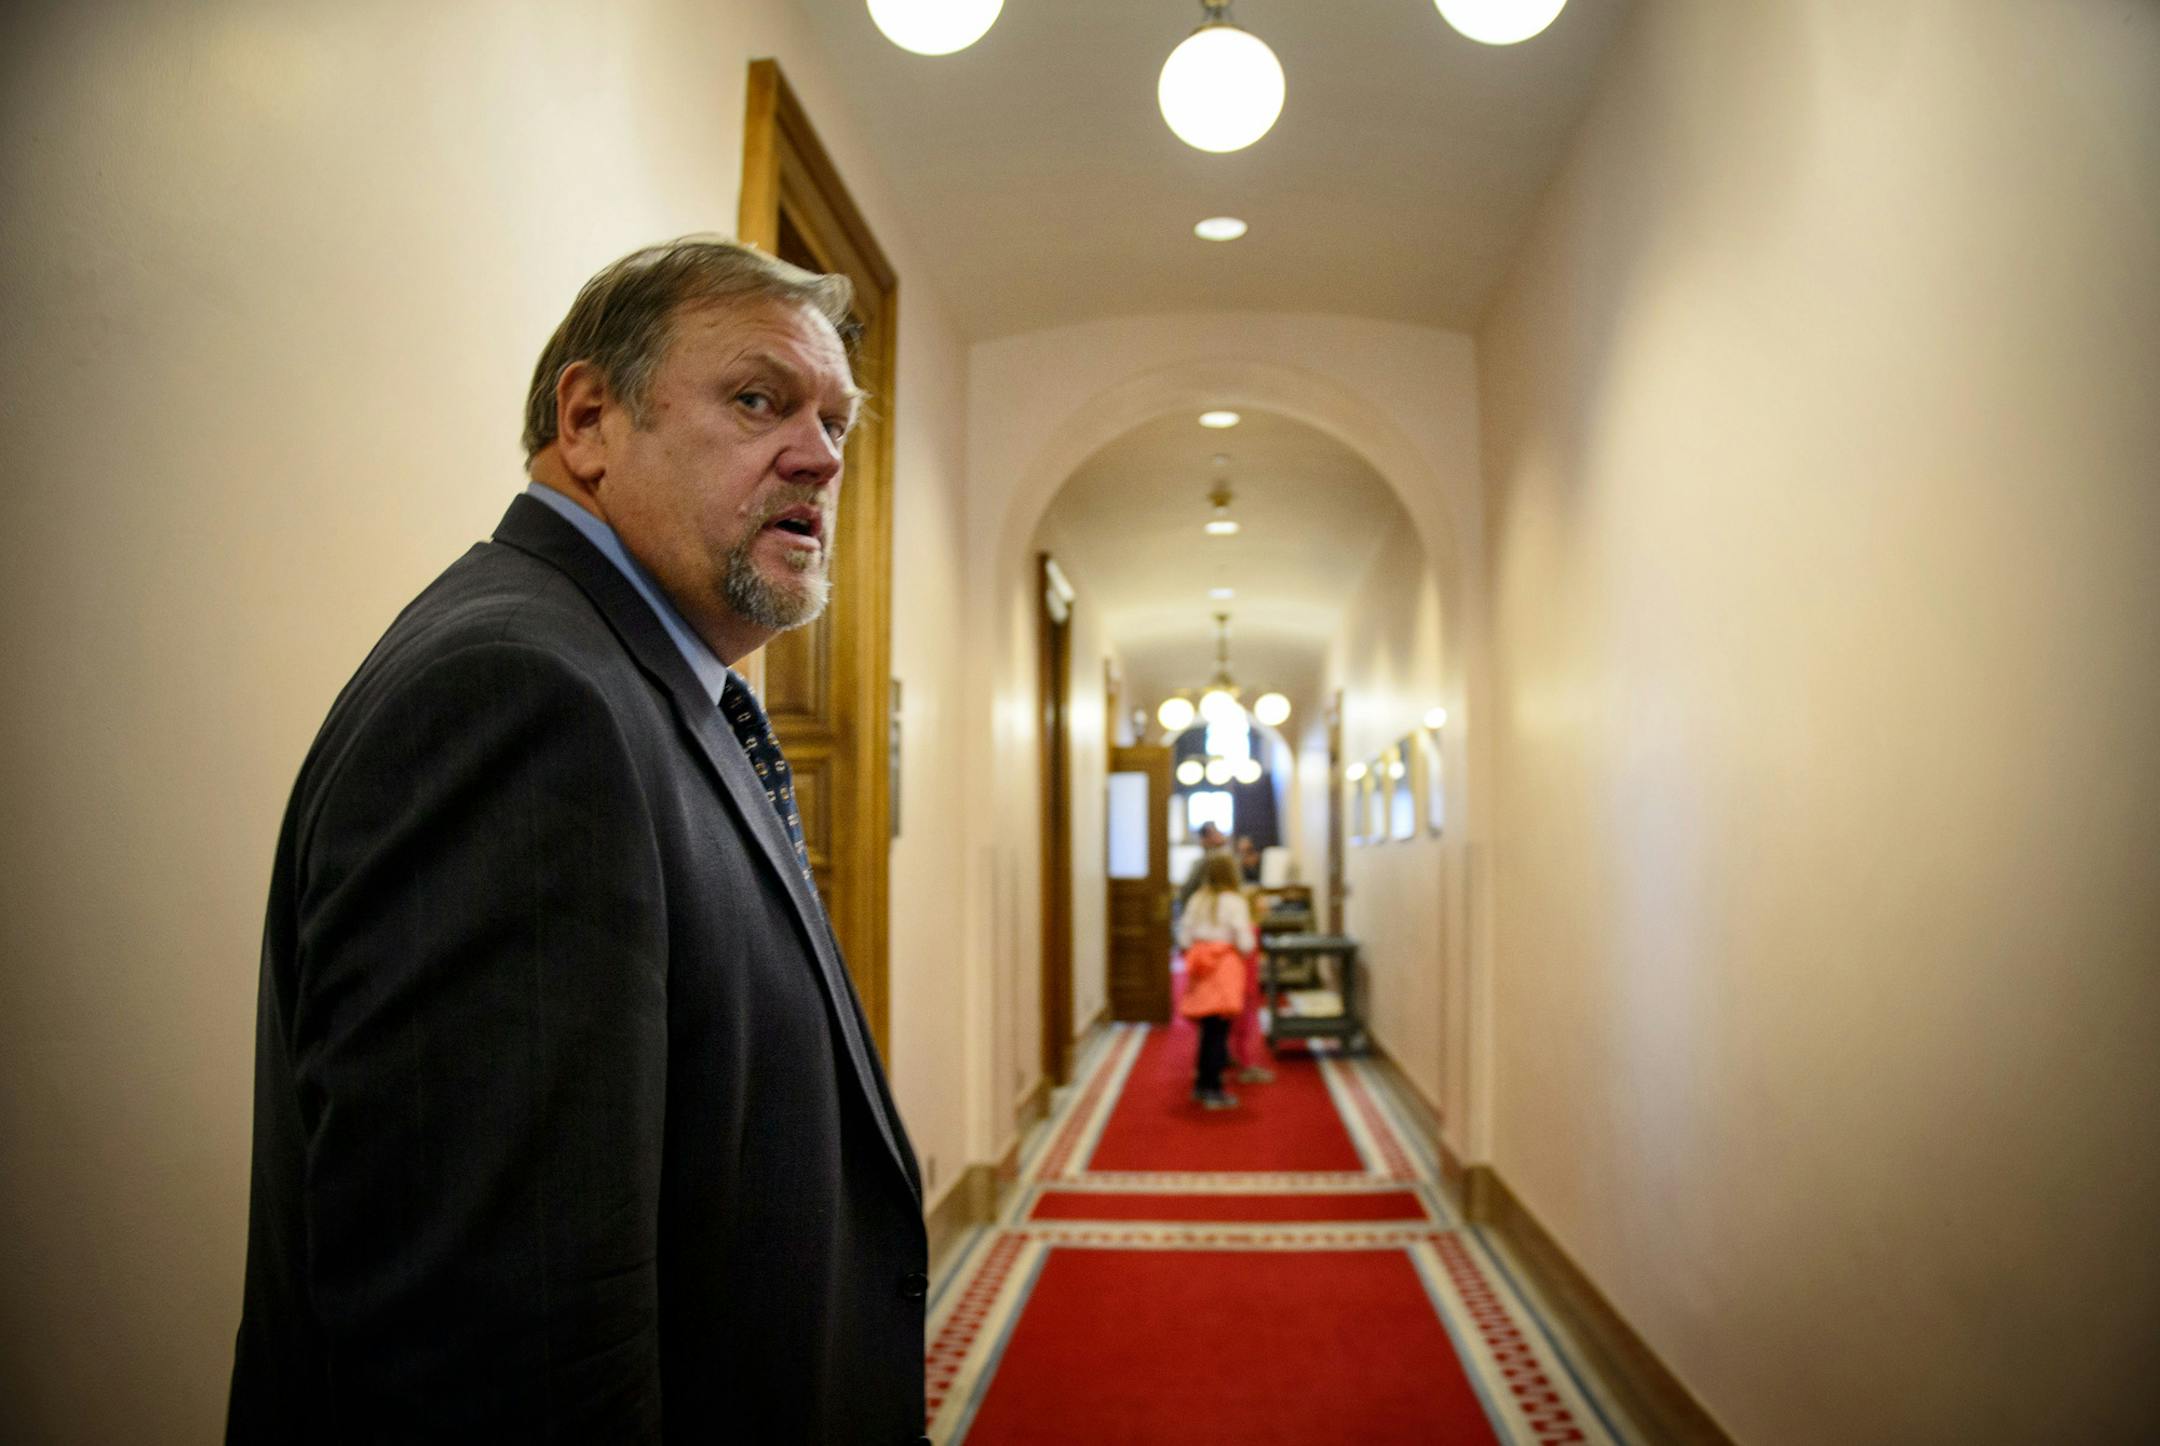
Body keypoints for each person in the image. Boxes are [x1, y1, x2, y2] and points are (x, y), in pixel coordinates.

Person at [227, 238, 929, 1443]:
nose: (820, 455)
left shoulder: (628, 681)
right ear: (590, 420)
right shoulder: (521, 698)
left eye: (835, 421)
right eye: (758, 400)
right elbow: (499, 1356)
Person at [1177, 850, 1256, 1109]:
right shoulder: (1234, 901)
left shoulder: (1197, 900)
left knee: (1207, 1029)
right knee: (1219, 1031)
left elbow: (1184, 937)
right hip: (1225, 968)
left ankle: (1202, 1085)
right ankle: (1213, 1089)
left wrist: (1201, 948)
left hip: (1201, 967)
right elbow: (1245, 942)